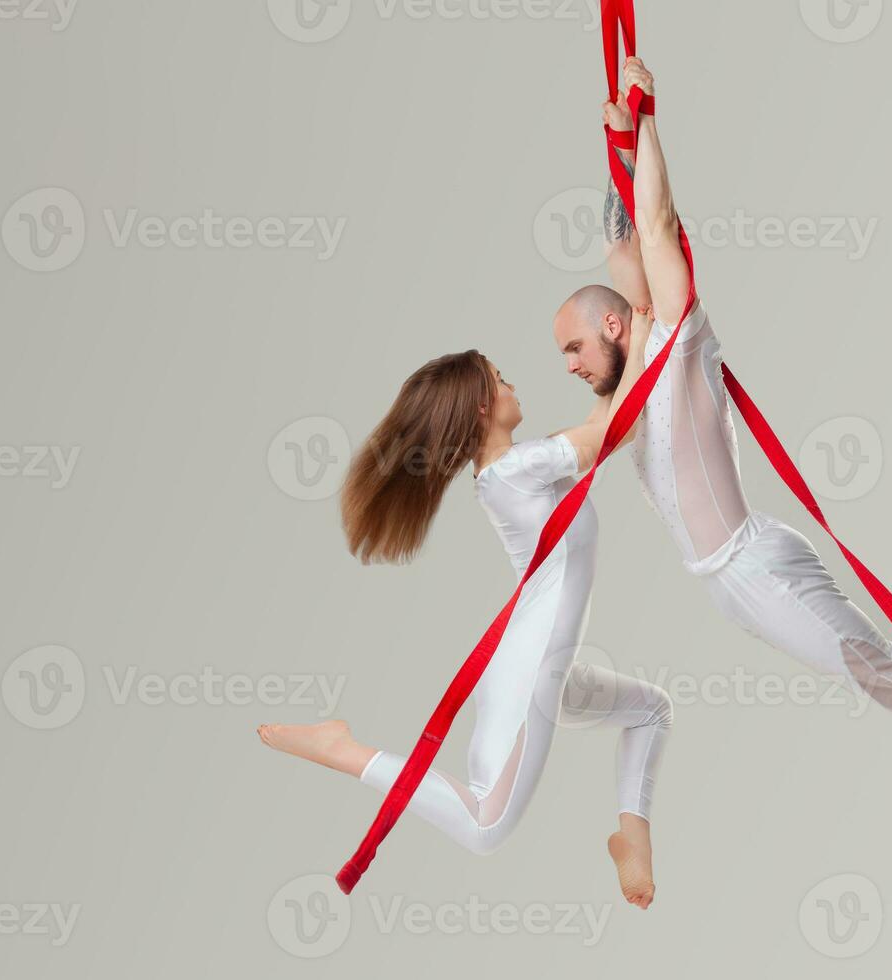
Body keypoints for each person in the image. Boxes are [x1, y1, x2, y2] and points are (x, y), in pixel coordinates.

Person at [552, 56, 892, 832]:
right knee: (887, 683)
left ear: (612, 324)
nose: (569, 367)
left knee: (890, 680)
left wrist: (648, 119)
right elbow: (621, 236)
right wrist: (620, 148)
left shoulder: (674, 331)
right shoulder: (629, 387)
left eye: (572, 348)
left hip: (754, 563)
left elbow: (653, 229)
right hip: (731, 585)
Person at [259, 317, 672, 908]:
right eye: (500, 379)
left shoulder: (515, 469)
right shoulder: (515, 471)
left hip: (539, 669)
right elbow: (619, 427)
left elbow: (597, 425)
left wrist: (637, 327)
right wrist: (648, 321)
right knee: (483, 828)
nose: (512, 384)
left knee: (651, 712)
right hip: (533, 675)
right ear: (482, 407)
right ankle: (342, 750)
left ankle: (632, 839)